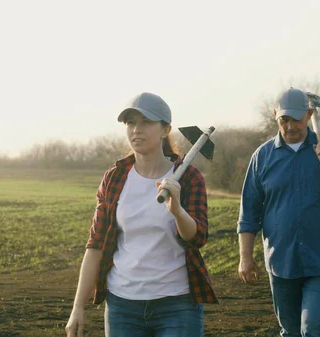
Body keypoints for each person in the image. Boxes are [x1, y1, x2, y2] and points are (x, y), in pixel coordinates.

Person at [65, 92, 218, 337]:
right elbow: (95, 244)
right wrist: (77, 307)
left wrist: (177, 210)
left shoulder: (188, 177)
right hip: (123, 306)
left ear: (165, 129)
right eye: (131, 123)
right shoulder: (114, 177)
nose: (137, 129)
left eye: (146, 122)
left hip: (177, 305)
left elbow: (197, 237)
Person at [236, 87, 320, 337]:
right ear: (275, 116)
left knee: (313, 327)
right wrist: (245, 257)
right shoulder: (262, 157)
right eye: (284, 119)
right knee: (291, 331)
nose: (291, 126)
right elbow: (249, 212)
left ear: (308, 114)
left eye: (296, 118)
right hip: (281, 261)